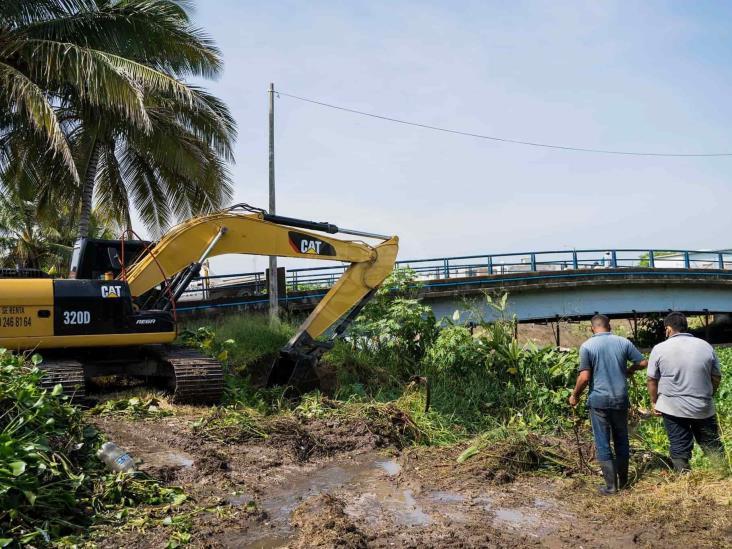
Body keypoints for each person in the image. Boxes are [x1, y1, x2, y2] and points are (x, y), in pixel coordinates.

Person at [569, 314, 647, 494]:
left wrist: (575, 395)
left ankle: (611, 487)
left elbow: (584, 377)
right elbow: (642, 362)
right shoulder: (623, 342)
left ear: (592, 328)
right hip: (620, 400)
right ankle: (624, 482)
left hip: (599, 401)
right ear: (609, 326)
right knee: (621, 439)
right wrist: (629, 370)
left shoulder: (587, 346)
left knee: (603, 442)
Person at [647, 312, 724, 472]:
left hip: (672, 406)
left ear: (668, 329)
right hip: (703, 405)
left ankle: (684, 477)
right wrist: (708, 394)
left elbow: (652, 380)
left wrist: (654, 401)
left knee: (679, 443)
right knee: (711, 442)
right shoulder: (705, 346)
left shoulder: (659, 348)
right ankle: (722, 473)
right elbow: (716, 376)